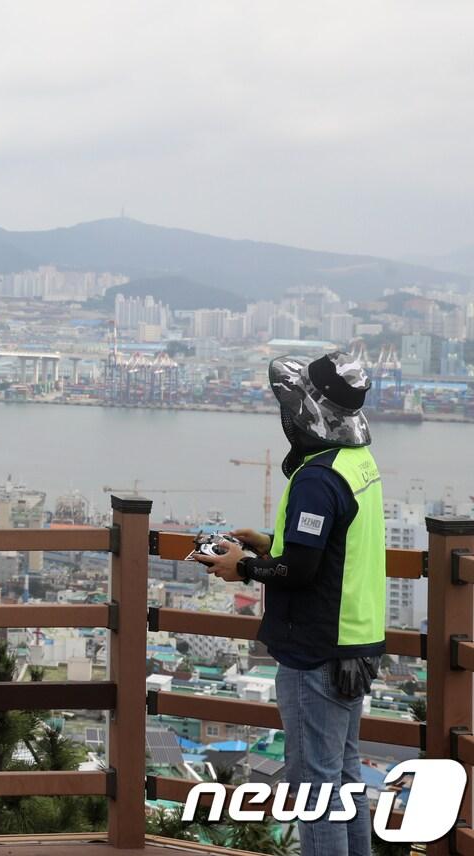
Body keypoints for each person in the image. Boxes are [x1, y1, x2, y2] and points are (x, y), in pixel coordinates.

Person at [198, 351, 385, 856]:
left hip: (315, 649)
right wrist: (267, 544)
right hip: (357, 640)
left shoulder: (317, 477)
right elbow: (327, 550)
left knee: (314, 788)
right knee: (344, 779)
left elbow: (300, 571)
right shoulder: (358, 464)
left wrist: (244, 567)